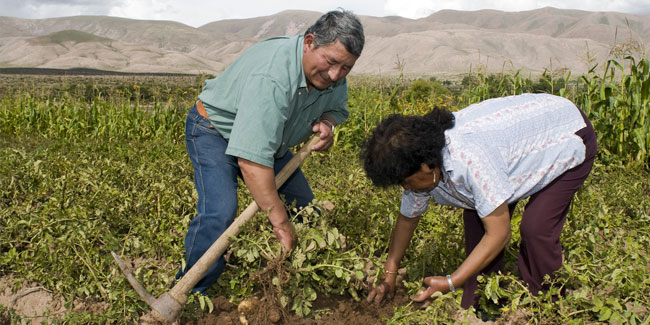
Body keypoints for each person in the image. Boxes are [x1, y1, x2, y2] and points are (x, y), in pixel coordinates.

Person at [178, 9, 364, 293]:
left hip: (270, 143)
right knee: (219, 213)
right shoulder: (273, 77)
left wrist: (327, 123)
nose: (335, 74)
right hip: (214, 132)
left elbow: (336, 109)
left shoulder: (333, 75)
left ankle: (292, 280)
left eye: (346, 68)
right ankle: (190, 291)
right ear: (309, 42)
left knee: (306, 211)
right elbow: (252, 161)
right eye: (331, 62)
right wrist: (279, 222)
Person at [361, 93, 596, 309]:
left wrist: (453, 281)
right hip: (507, 153)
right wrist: (389, 272)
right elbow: (407, 219)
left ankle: (548, 304)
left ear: (425, 165)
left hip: (566, 134)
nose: (406, 188)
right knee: (476, 216)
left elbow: (499, 234)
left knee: (536, 228)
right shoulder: (420, 159)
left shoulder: (471, 160)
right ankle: (482, 305)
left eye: (406, 181)